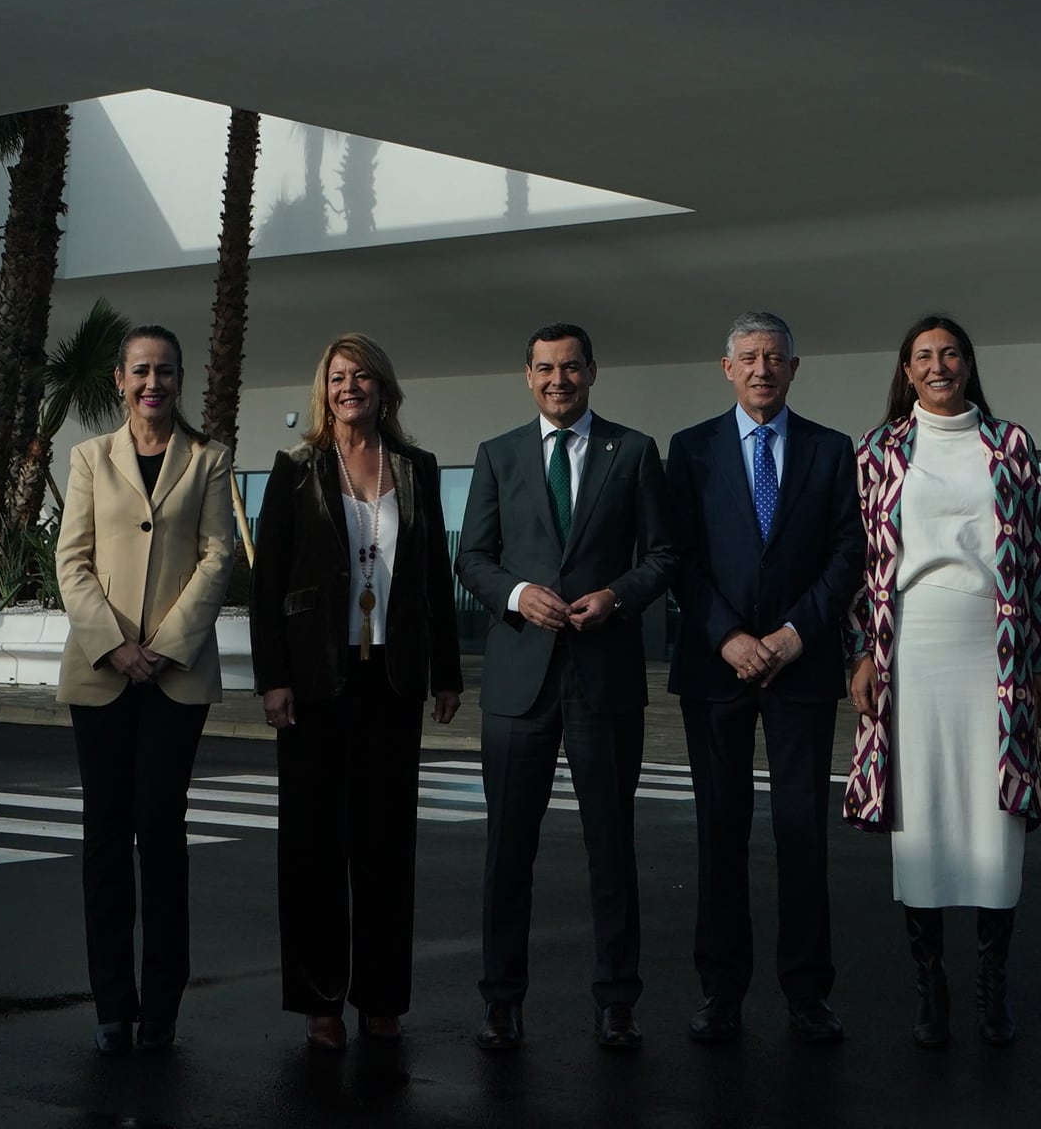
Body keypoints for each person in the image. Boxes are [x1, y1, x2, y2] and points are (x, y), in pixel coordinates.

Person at [843, 315, 1041, 1052]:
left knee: (994, 817)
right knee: (924, 818)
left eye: (950, 354)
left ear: (970, 364)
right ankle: (930, 989)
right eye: (923, 356)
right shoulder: (879, 450)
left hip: (994, 645)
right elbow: (863, 565)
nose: (938, 366)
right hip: (911, 642)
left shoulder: (1010, 444)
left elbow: (1036, 555)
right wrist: (862, 654)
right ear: (905, 371)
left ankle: (991, 989)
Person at [455, 323, 677, 1054]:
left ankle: (617, 1001)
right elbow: (474, 558)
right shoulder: (497, 455)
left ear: (592, 372)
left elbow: (665, 554)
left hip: (603, 680)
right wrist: (518, 594)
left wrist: (619, 595)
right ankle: (500, 1001)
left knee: (611, 851)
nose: (559, 380)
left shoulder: (635, 451)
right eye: (546, 369)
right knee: (506, 853)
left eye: (571, 368)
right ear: (528, 376)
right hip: (520, 684)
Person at [254, 333, 464, 1051]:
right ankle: (319, 1002)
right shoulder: (295, 469)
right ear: (326, 390)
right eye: (340, 377)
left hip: (391, 679)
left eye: (364, 376)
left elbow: (434, 574)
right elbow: (268, 583)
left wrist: (446, 672)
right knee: (312, 848)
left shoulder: (416, 468)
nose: (352, 388)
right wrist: (273, 677)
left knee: (384, 846)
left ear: (384, 389)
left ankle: (380, 999)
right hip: (315, 680)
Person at [665, 312, 863, 1046]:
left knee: (801, 834)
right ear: (727, 368)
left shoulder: (829, 449)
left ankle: (808, 993)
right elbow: (678, 555)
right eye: (748, 358)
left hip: (800, 665)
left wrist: (790, 635)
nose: (761, 369)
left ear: (793, 367)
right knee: (721, 833)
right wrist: (729, 637)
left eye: (774, 358)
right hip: (716, 668)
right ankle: (721, 991)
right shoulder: (689, 451)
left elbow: (848, 554)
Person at [55, 324, 240, 1057]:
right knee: (105, 839)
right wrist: (115, 644)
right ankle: (112, 1004)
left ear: (180, 377)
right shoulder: (88, 458)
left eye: (164, 370)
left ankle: (161, 1006)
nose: (152, 383)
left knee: (161, 834)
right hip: (101, 673)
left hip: (176, 673)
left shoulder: (210, 459)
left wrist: (162, 647)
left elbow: (219, 553)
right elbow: (71, 560)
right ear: (121, 380)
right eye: (140, 371)